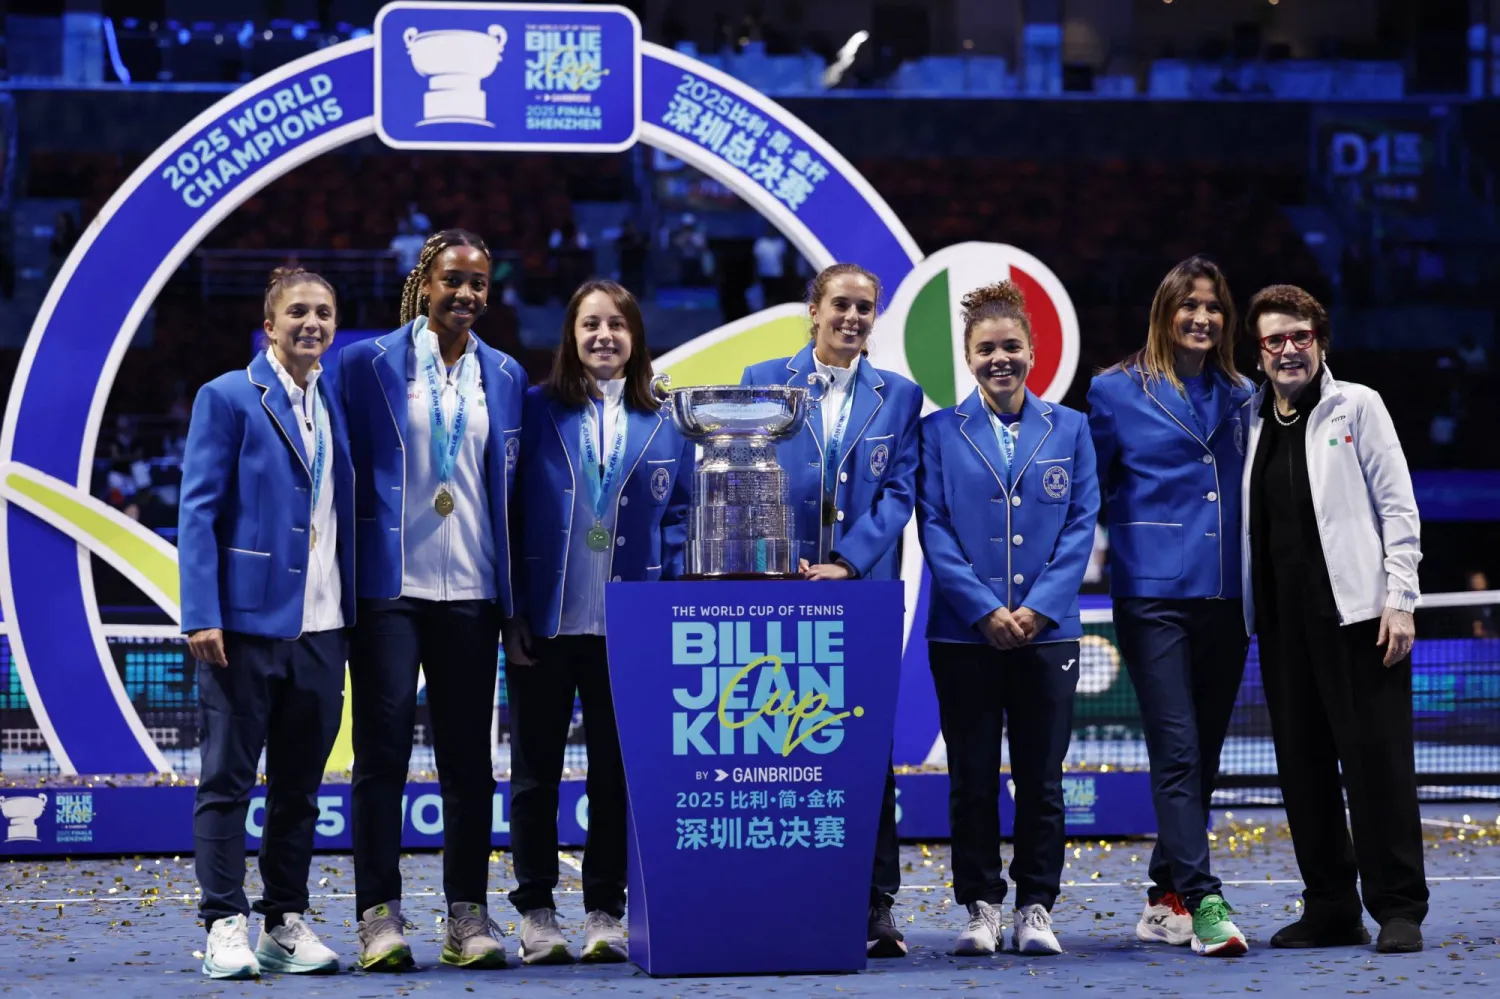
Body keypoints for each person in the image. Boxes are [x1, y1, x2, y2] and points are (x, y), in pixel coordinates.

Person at [337, 229, 527, 971]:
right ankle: (377, 914)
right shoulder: (366, 363)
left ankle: (466, 913)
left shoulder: (505, 374)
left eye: (479, 282)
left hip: (473, 591)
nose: (467, 294)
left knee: (468, 764)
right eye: (454, 279)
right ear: (424, 282)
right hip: (390, 589)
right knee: (380, 755)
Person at [504, 280, 693, 964]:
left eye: (617, 324)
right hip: (547, 625)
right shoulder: (533, 412)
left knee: (617, 773)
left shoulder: (667, 420)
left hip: (630, 630)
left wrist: (665, 601)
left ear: (636, 335)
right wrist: (514, 612)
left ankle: (605, 909)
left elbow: (680, 518)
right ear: (571, 335)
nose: (604, 335)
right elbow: (510, 514)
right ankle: (536, 909)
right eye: (590, 324)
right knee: (535, 774)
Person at [740, 262, 923, 957]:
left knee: (865, 752)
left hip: (861, 596)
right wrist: (773, 555)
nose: (853, 318)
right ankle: (783, 889)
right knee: (776, 745)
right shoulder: (763, 380)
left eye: (865, 308)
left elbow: (899, 492)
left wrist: (846, 560)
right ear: (812, 310)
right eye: (841, 304)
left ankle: (877, 904)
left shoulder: (901, 396)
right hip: (778, 593)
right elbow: (746, 471)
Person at [1240, 284, 1427, 954]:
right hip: (1283, 629)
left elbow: (1400, 508)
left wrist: (1400, 598)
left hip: (1359, 619)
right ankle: (1330, 906)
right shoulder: (1252, 420)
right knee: (1304, 769)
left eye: (1300, 336)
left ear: (1320, 341)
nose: (1289, 349)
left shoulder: (1360, 406)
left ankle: (1399, 905)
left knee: (1378, 767)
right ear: (1258, 353)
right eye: (1274, 340)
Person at [179, 267, 355, 979]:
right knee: (227, 780)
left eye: (323, 312)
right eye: (298, 312)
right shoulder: (226, 396)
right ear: (270, 322)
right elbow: (197, 510)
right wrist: (200, 612)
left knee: (299, 787)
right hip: (245, 623)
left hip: (324, 624)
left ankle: (282, 919)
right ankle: (224, 919)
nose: (311, 323)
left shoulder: (332, 399)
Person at [917, 282, 1099, 957]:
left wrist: (1038, 606)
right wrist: (985, 608)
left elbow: (1081, 525)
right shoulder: (937, 432)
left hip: (1047, 634)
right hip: (963, 633)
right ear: (969, 356)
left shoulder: (1071, 428)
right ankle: (981, 906)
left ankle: (1036, 907)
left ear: (1032, 350)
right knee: (971, 777)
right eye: (987, 347)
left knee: (1043, 780)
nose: (1001, 358)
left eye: (1011, 346)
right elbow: (932, 525)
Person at [1086, 256, 1253, 957]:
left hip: (1228, 593)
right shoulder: (1113, 390)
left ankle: (1164, 896)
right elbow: (1089, 492)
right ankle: (1205, 900)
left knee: (1202, 754)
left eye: (1214, 306)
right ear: (1164, 311)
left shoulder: (1243, 392)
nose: (1202, 317)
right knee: (1178, 749)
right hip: (1153, 592)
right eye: (1190, 305)